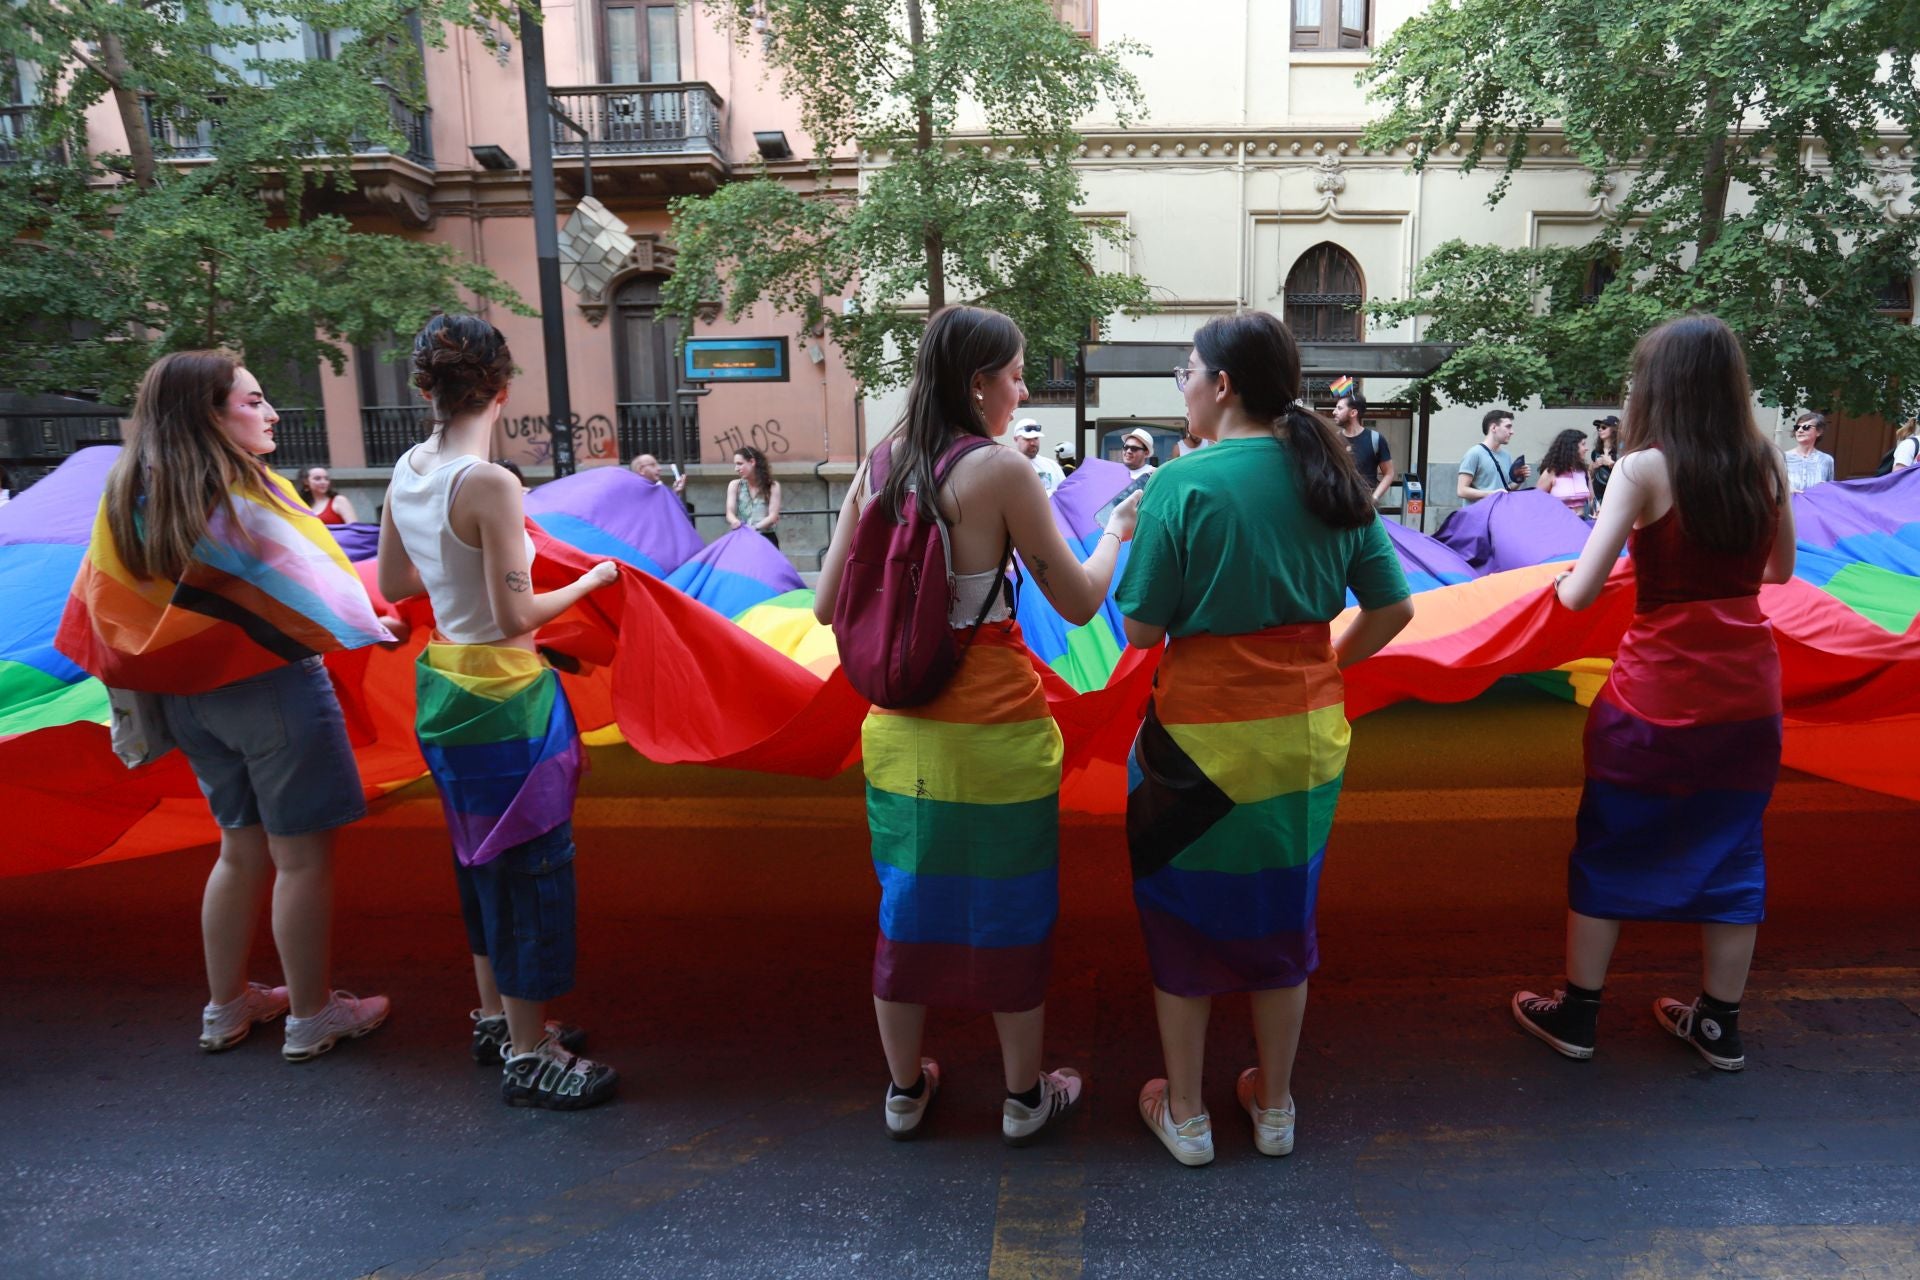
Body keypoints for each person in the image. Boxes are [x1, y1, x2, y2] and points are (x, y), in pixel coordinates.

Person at [813, 304, 1142, 1145]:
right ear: (978, 383)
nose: (1024, 387)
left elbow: (824, 604)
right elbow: (1075, 598)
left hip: (897, 735)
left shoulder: (879, 463)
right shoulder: (999, 470)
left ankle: (901, 1090)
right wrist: (1114, 531)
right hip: (998, 736)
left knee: (906, 908)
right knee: (1010, 913)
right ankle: (1025, 1099)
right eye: (1018, 372)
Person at [1119, 313, 1414, 1166]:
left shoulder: (1183, 484)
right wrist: (1322, 663)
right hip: (1305, 741)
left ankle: (1187, 1114)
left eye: (1186, 373)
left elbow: (1140, 631)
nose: (1181, 387)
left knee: (1183, 924)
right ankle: (1275, 1110)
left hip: (1195, 750)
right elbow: (1391, 609)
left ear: (1221, 386)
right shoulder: (1330, 474)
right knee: (1284, 917)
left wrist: (1130, 538)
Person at [62, 351, 391, 1061]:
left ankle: (226, 1006)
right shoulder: (242, 493)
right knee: (301, 861)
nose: (270, 413)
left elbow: (103, 599)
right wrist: (370, 621)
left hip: (187, 701)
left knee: (237, 850)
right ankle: (310, 1016)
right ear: (211, 414)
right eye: (253, 400)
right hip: (270, 692)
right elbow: (315, 587)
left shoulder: (131, 493)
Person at [1512, 314, 1796, 1073]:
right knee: (1735, 853)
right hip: (1748, 697)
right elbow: (1780, 573)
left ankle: (1578, 1015)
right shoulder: (1765, 463)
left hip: (1655, 697)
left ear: (1662, 385)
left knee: (1610, 846)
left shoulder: (1642, 469)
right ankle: (1719, 1026)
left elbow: (1579, 594)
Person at [377, 314, 621, 1110]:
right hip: (507, 697)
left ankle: (497, 1018)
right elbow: (518, 616)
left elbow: (397, 582)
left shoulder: (410, 470)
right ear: (503, 390)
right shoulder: (489, 484)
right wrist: (591, 582)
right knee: (532, 870)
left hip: (445, 686)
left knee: (479, 859)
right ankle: (529, 1052)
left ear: (424, 390)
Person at [1333, 390, 1395, 505]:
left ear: (1353, 413)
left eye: (1339, 408)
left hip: (1366, 508)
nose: (1334, 412)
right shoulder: (1334, 440)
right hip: (1339, 507)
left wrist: (1374, 498)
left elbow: (1389, 473)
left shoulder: (1376, 439)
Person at [1457, 409, 1531, 503]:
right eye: (1508, 427)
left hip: (1499, 515)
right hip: (1479, 516)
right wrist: (1492, 494)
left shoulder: (1506, 456)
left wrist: (1520, 478)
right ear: (1494, 428)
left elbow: (1506, 489)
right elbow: (1461, 491)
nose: (1512, 432)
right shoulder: (1474, 453)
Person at [726, 445, 782, 546]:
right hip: (742, 537)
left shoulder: (772, 486)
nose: (736, 469)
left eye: (740, 464)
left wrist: (754, 528)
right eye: (736, 464)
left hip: (766, 538)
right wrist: (735, 521)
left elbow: (773, 516)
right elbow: (730, 512)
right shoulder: (734, 485)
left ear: (752, 462)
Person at [1535, 429, 1594, 514]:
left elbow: (1592, 500)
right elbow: (1536, 501)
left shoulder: (1584, 472)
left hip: (1581, 523)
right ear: (1572, 447)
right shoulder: (1551, 472)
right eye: (1583, 444)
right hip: (1558, 524)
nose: (1586, 448)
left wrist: (1597, 510)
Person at [1783, 412, 1835, 493]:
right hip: (1789, 504)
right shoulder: (1782, 458)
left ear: (1819, 431)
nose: (1800, 430)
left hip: (1815, 504)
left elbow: (1831, 491)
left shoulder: (1826, 460)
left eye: (1806, 427)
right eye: (1797, 427)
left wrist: (1826, 487)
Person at [1010, 419, 1066, 494]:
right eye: (1027, 439)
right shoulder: (1008, 467)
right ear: (1016, 439)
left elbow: (1064, 492)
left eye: (1036, 438)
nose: (1033, 443)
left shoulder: (1052, 465)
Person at [1588, 415, 1620, 508]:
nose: (1600, 430)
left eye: (1604, 427)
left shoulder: (1622, 451)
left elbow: (1627, 474)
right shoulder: (1596, 452)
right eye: (1598, 427)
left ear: (1614, 429)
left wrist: (1611, 464)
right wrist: (1594, 466)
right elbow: (1589, 475)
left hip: (1615, 496)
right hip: (1598, 496)